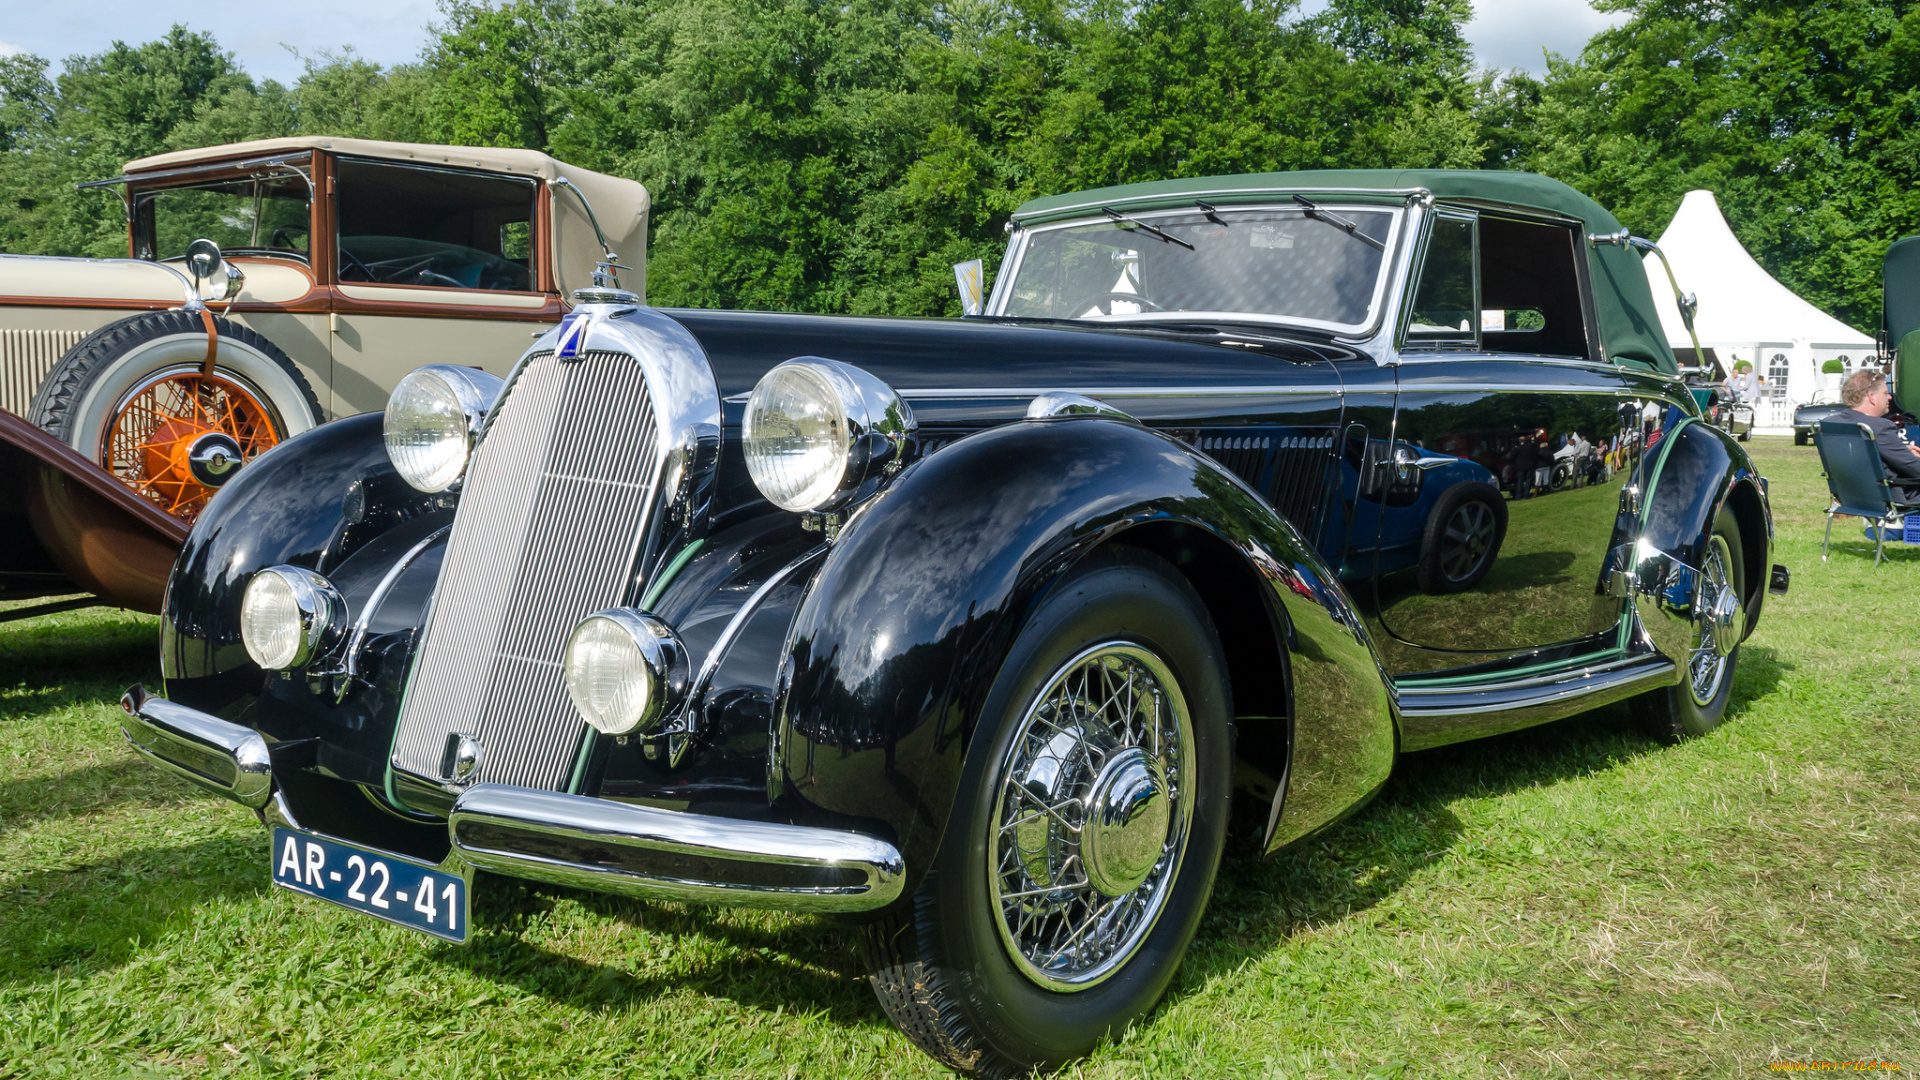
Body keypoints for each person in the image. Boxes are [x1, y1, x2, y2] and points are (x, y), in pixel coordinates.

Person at [1833, 369, 1920, 497]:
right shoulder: (1878, 427)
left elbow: (1862, 458)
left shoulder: (1835, 423)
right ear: (1871, 396)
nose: (1890, 397)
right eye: (1885, 393)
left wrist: (1903, 451)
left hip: (1854, 498)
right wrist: (1914, 457)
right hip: (1895, 497)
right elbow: (1915, 469)